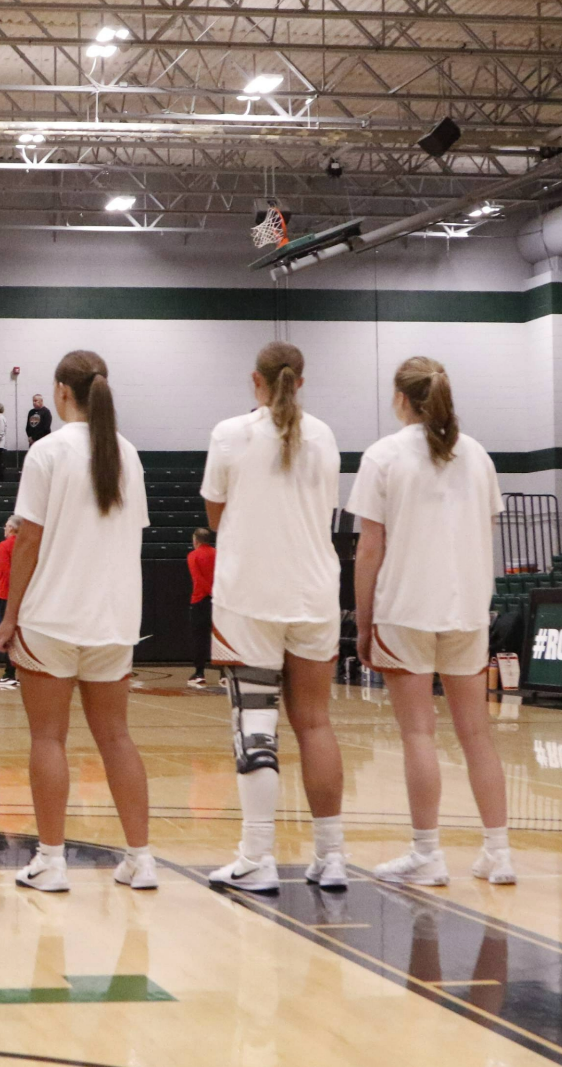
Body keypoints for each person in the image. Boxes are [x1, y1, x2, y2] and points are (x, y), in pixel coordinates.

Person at [349, 357, 514, 887]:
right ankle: (499, 851)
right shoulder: (479, 455)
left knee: (418, 732)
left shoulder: (383, 456)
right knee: (477, 735)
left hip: (406, 609)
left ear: (401, 398)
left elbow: (369, 549)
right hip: (466, 607)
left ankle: (427, 853)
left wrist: (363, 622)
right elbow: (487, 529)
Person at [0, 350, 156, 892]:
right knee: (117, 738)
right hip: (113, 619)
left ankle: (51, 860)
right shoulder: (128, 454)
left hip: (53, 619)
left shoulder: (47, 453)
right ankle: (142, 859)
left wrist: (10, 613)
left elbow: (29, 541)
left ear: (62, 391)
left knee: (49, 739)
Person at [200, 341, 347, 893]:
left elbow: (216, 514)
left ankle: (257, 857)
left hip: (249, 598)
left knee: (255, 722)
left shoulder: (230, 434)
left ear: (254, 381)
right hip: (314, 595)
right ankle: (331, 857)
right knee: (316, 722)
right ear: (300, 382)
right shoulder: (326, 436)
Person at [186, 529, 216, 688]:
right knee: (219, 638)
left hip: (200, 600)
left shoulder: (193, 555)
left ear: (196, 540)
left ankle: (199, 673)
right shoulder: (218, 553)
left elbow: (197, 578)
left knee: (200, 637)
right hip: (219, 601)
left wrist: (209, 592)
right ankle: (224, 675)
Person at [0, 517, 18, 689]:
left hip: (6, 594)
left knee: (6, 635)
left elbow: (6, 571)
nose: (4, 528)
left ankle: (9, 674)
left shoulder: (4, 545)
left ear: (11, 528)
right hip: (25, 595)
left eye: (6, 525)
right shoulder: (26, 544)